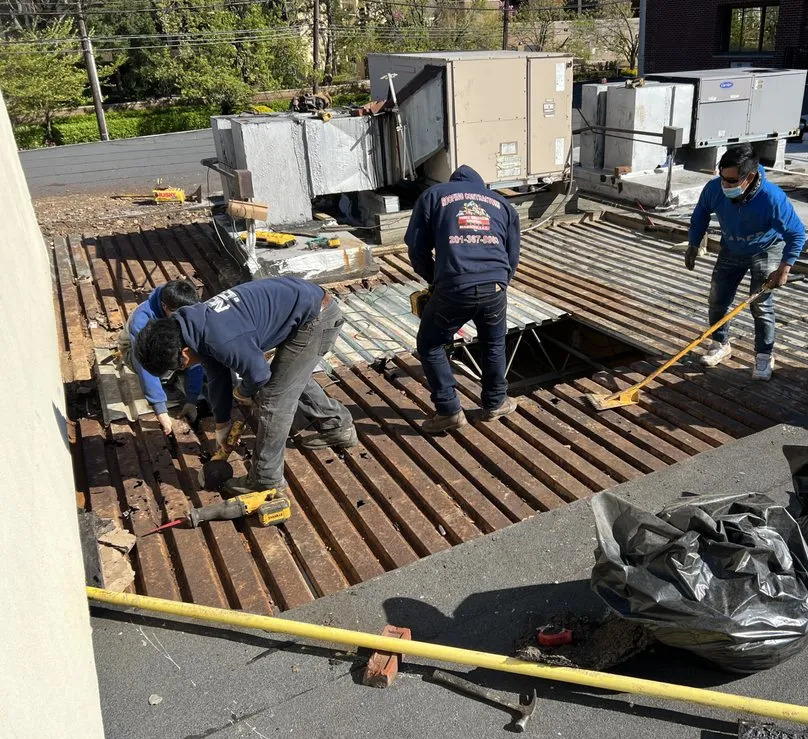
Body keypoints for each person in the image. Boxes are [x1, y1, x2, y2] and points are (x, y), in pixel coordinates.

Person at [134, 277, 357, 496]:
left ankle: (265, 478)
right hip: (304, 307)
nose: (184, 367)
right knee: (287, 378)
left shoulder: (219, 337)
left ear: (183, 353)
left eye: (179, 366)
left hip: (318, 319)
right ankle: (338, 425)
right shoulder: (192, 325)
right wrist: (222, 425)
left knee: (273, 397)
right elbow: (217, 375)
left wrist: (242, 392)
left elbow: (259, 375)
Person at [405, 165, 521, 433]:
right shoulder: (502, 203)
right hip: (494, 285)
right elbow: (512, 254)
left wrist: (434, 278)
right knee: (493, 343)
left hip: (454, 286)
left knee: (431, 344)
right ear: (482, 186)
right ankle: (495, 403)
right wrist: (501, 282)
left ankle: (448, 410)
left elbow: (417, 246)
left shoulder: (435, 195)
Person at [685, 144, 806, 382]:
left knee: (760, 305)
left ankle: (764, 354)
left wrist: (784, 269)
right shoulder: (714, 189)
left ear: (749, 177)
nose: (725, 185)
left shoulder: (772, 198)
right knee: (717, 299)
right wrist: (693, 243)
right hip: (731, 248)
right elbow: (700, 214)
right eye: (722, 178)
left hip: (766, 249)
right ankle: (720, 343)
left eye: (731, 181)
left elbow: (797, 234)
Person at [119, 279, 204, 435]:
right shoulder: (142, 320)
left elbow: (194, 350)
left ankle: (175, 373)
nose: (187, 318)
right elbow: (144, 365)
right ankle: (167, 377)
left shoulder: (187, 310)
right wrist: (160, 409)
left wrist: (192, 398)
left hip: (169, 345)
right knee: (162, 363)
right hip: (137, 353)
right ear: (165, 307)